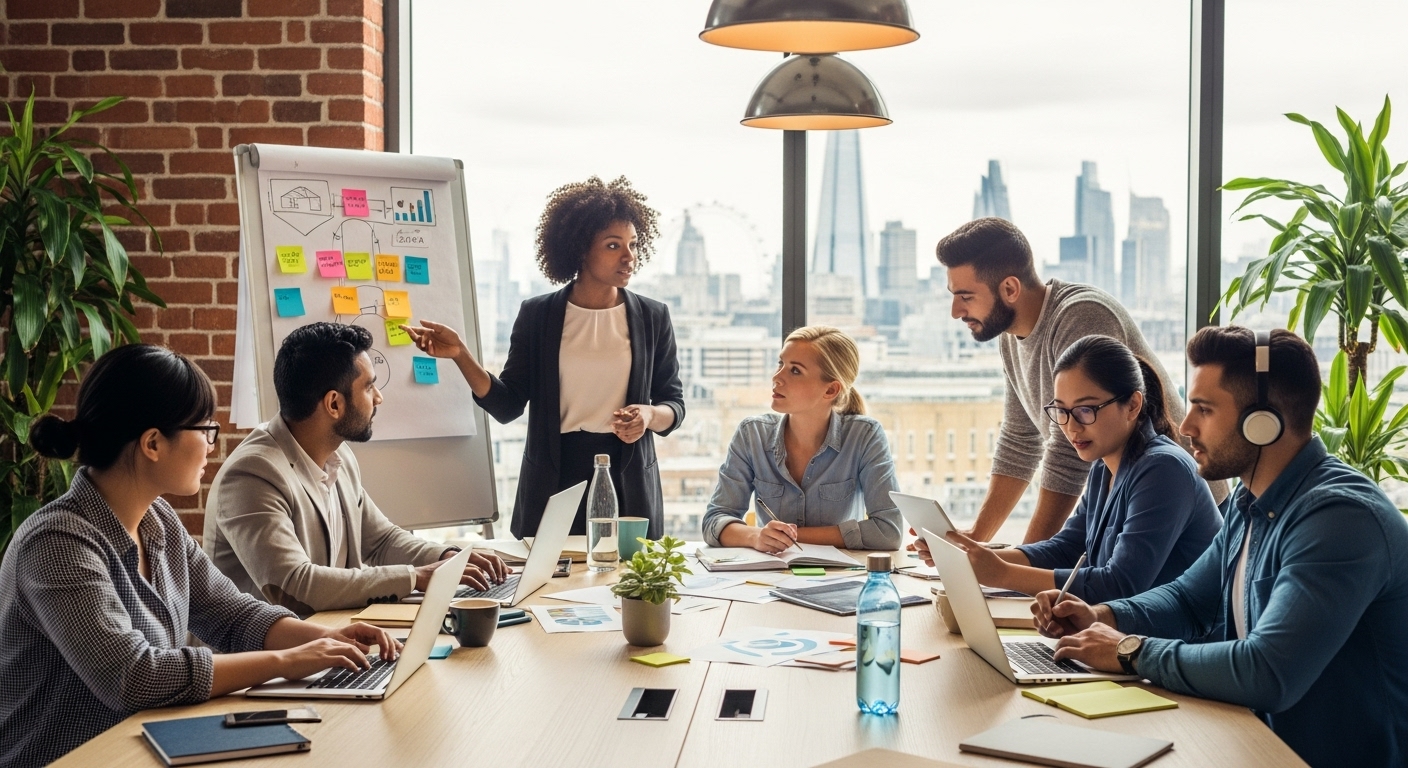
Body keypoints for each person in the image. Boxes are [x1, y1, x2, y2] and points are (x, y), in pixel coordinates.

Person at [0, 345, 400, 768]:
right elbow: (135, 677)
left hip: (143, 746)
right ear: (153, 443)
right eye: (205, 429)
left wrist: (322, 641)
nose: (213, 443)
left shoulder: (159, 521)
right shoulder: (56, 544)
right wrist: (287, 661)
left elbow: (234, 615)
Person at [1036, 327, 1408, 768]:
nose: (1186, 425)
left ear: (1264, 421)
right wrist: (1101, 617)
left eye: (1204, 409)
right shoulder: (1250, 502)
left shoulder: (1339, 519)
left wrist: (1129, 650)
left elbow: (1268, 672)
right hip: (1252, 743)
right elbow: (1189, 599)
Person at [404, 176, 684, 539]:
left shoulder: (652, 316)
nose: (629, 256)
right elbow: (508, 406)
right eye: (614, 245)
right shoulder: (538, 315)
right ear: (580, 250)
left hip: (628, 480)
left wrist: (648, 415)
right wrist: (460, 355)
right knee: (549, 589)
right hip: (555, 477)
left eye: (632, 244)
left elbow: (673, 404)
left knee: (627, 588)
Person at [936, 218, 1222, 545]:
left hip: (1183, 513)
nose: (955, 311)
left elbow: (1066, 456)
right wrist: (975, 539)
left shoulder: (1081, 315)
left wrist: (1020, 562)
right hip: (1126, 505)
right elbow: (1020, 439)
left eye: (966, 297)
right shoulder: (1010, 337)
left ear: (1010, 289)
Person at [205, 323, 506, 616]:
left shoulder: (338, 456)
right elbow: (294, 586)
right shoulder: (252, 474)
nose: (378, 398)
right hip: (265, 660)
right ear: (334, 404)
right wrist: (415, 577)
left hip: (330, 640)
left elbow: (381, 540)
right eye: (369, 386)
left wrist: (447, 558)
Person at [921, 335, 1221, 603]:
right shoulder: (1105, 468)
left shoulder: (1164, 470)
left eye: (1085, 410)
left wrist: (1000, 574)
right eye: (1061, 411)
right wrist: (968, 558)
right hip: (1126, 639)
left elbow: (1119, 585)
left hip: (1179, 649)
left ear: (1132, 405)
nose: (1071, 427)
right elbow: (1065, 549)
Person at [702, 326, 903, 552]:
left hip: (838, 580)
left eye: (795, 371)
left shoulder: (865, 436)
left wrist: (788, 536)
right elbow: (714, 521)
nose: (777, 378)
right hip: (770, 578)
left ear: (831, 390)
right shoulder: (752, 434)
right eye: (781, 364)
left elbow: (888, 531)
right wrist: (756, 537)